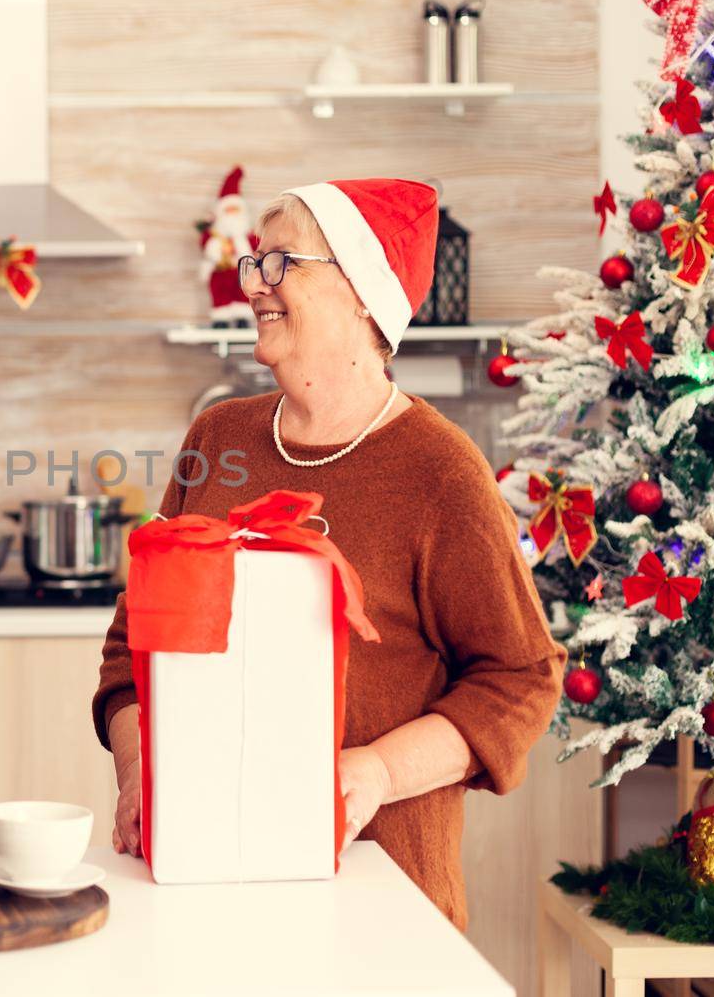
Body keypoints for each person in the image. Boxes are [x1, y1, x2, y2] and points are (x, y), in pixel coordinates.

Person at [92, 178, 565, 928]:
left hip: (379, 903)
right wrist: (138, 772)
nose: (256, 284)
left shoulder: (440, 471)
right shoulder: (216, 440)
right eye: (255, 262)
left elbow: (522, 676)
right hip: (199, 886)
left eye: (283, 263)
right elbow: (132, 647)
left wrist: (377, 770)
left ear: (361, 296)